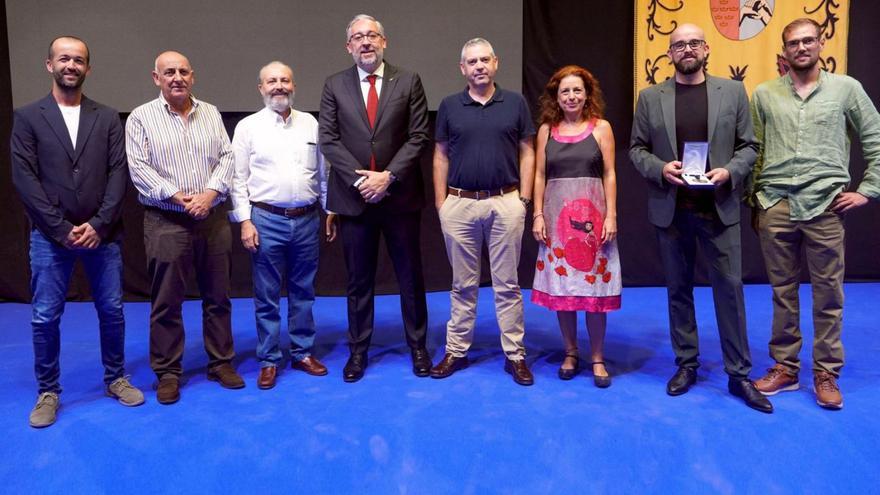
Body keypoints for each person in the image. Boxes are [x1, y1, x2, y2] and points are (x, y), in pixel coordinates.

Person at [629, 24, 772, 412]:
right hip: (672, 209)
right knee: (678, 291)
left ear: (707, 49)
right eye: (679, 45)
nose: (687, 49)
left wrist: (730, 171)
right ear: (670, 53)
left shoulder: (733, 91)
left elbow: (749, 146)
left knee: (731, 292)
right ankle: (686, 365)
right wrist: (660, 168)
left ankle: (739, 374)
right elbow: (637, 149)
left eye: (694, 43)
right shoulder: (649, 98)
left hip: (719, 208)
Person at [11, 36, 144, 428]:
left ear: (88, 68)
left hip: (103, 236)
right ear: (49, 64)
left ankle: (116, 378)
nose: (71, 65)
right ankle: (48, 390)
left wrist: (99, 224)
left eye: (79, 60)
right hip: (51, 238)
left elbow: (119, 174)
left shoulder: (106, 117)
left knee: (112, 311)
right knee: (45, 316)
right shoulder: (28, 117)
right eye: (64, 58)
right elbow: (24, 178)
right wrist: (61, 229)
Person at [750, 18, 880, 410]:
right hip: (776, 203)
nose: (802, 47)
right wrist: (755, 199)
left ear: (821, 44)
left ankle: (826, 372)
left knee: (828, 295)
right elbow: (754, 149)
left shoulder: (847, 90)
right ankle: (785, 368)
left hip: (826, 205)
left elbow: (874, 137)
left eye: (808, 40)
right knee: (782, 293)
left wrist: (868, 190)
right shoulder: (764, 94)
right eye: (794, 43)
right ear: (784, 51)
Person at [319, 14, 432, 382]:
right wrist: (362, 182)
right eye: (357, 37)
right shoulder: (334, 84)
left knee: (410, 277)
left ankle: (418, 346)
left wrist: (388, 177)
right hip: (355, 201)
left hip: (399, 197)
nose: (365, 42)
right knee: (358, 281)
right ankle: (358, 351)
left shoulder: (409, 80)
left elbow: (418, 136)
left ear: (384, 42)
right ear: (348, 46)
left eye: (372, 36)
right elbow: (329, 140)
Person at [126, 51, 244, 404]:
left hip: (213, 218)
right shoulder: (140, 118)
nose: (176, 77)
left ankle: (220, 363)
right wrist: (182, 198)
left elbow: (227, 158)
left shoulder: (209, 112)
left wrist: (208, 196)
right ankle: (167, 372)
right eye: (169, 72)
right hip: (166, 220)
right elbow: (140, 170)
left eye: (182, 72)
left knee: (218, 296)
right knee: (166, 302)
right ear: (156, 77)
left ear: (192, 76)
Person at [431, 38, 537, 386]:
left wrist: (523, 200)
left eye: (484, 60)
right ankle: (456, 350)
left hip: (505, 202)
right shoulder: (449, 106)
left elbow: (528, 152)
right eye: (471, 62)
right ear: (462, 69)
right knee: (462, 285)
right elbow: (441, 156)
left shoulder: (516, 103)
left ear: (496, 63)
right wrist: (441, 204)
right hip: (459, 204)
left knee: (507, 284)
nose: (478, 66)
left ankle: (515, 355)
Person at [230, 61, 330, 390]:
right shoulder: (247, 127)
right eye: (271, 81)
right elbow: (237, 180)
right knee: (267, 295)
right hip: (265, 220)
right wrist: (244, 221)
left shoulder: (311, 124)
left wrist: (329, 210)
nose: (279, 86)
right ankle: (269, 358)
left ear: (294, 85)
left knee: (304, 292)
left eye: (285, 80)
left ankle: (302, 352)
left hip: (306, 220)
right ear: (260, 88)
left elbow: (322, 172)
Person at [530, 65, 621, 388]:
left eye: (577, 90)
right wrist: (538, 214)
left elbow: (609, 173)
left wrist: (611, 216)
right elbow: (539, 175)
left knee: (594, 289)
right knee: (563, 287)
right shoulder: (546, 130)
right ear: (556, 96)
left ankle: (597, 356)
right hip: (557, 220)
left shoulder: (602, 128)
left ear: (587, 95)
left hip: (593, 220)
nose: (571, 96)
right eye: (565, 91)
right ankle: (571, 352)